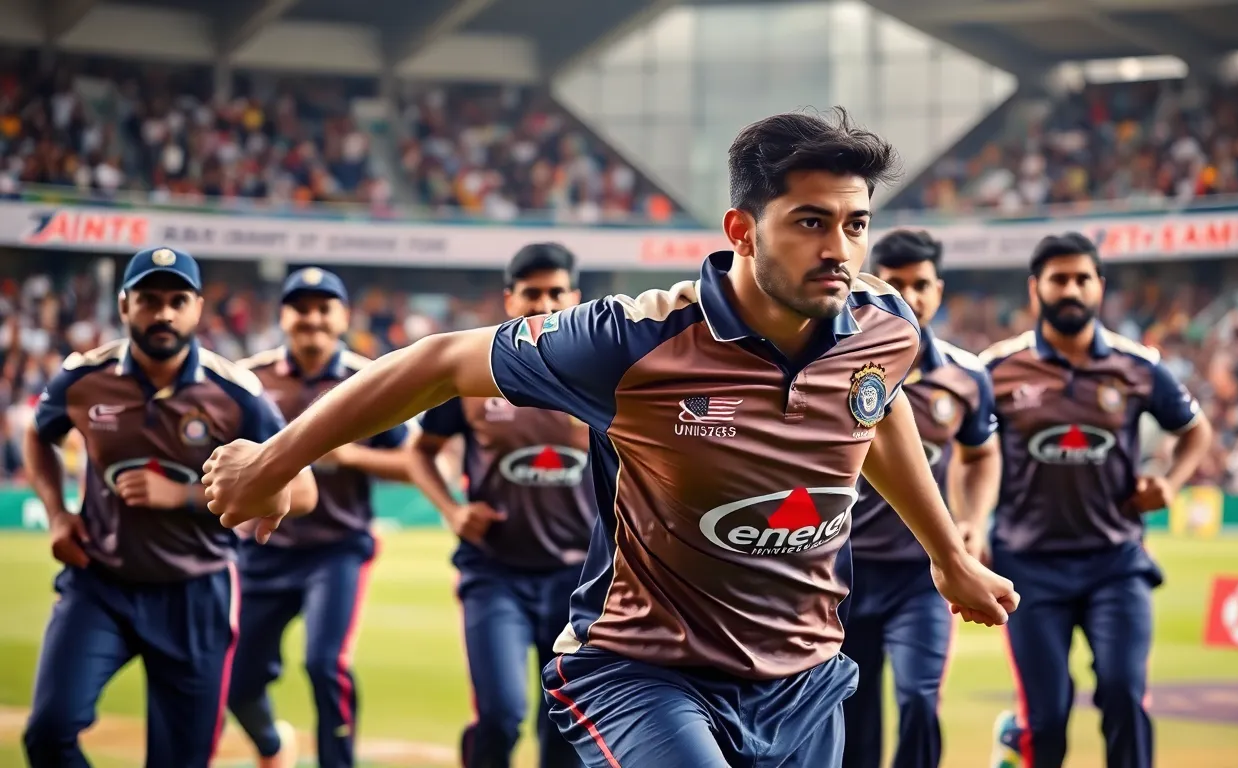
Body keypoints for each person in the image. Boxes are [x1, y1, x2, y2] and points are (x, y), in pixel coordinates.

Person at [201, 108, 1020, 768]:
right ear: (741, 227)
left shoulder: (883, 327)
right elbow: (439, 363)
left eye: (855, 224)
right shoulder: (632, 341)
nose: (839, 250)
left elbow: (875, 409)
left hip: (804, 675)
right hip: (646, 669)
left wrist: (948, 555)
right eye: (811, 222)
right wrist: (271, 464)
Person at [22, 247, 318, 768]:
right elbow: (37, 435)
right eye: (149, 300)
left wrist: (183, 495)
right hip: (100, 583)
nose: (163, 313)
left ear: (198, 309)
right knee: (47, 733)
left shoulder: (237, 393)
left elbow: (305, 491)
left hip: (196, 592)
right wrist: (58, 513)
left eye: (177, 300)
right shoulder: (82, 378)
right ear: (123, 305)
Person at [981, 233, 1213, 768]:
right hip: (1027, 566)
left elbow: (1195, 432)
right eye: (1058, 279)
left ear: (1099, 288)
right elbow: (967, 455)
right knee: (1046, 717)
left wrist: (1171, 484)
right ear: (1035, 289)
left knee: (1123, 692)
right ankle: (1019, 738)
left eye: (1082, 278)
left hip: (1115, 562)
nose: (1071, 289)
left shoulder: (1139, 366)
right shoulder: (994, 369)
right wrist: (970, 527)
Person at [406, 243, 591, 768]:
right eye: (531, 293)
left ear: (574, 297)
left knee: (568, 725)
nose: (544, 304)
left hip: (579, 581)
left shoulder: (605, 380)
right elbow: (420, 455)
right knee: (501, 716)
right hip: (495, 573)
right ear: (510, 300)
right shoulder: (472, 374)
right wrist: (451, 510)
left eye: (556, 292)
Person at [228, 267, 412, 768]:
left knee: (325, 664)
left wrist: (352, 458)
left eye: (322, 307)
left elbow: (413, 463)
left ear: (343, 317)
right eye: (300, 307)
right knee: (237, 681)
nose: (311, 317)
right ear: (283, 316)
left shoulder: (370, 378)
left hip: (337, 548)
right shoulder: (247, 378)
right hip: (262, 551)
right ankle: (272, 746)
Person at [842, 230, 1002, 768]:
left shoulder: (967, 375)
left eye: (923, 284)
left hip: (922, 575)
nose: (911, 296)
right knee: (850, 715)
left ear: (940, 289)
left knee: (918, 702)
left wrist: (974, 521)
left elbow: (981, 456)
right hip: (839, 570)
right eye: (897, 283)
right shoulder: (833, 363)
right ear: (873, 286)